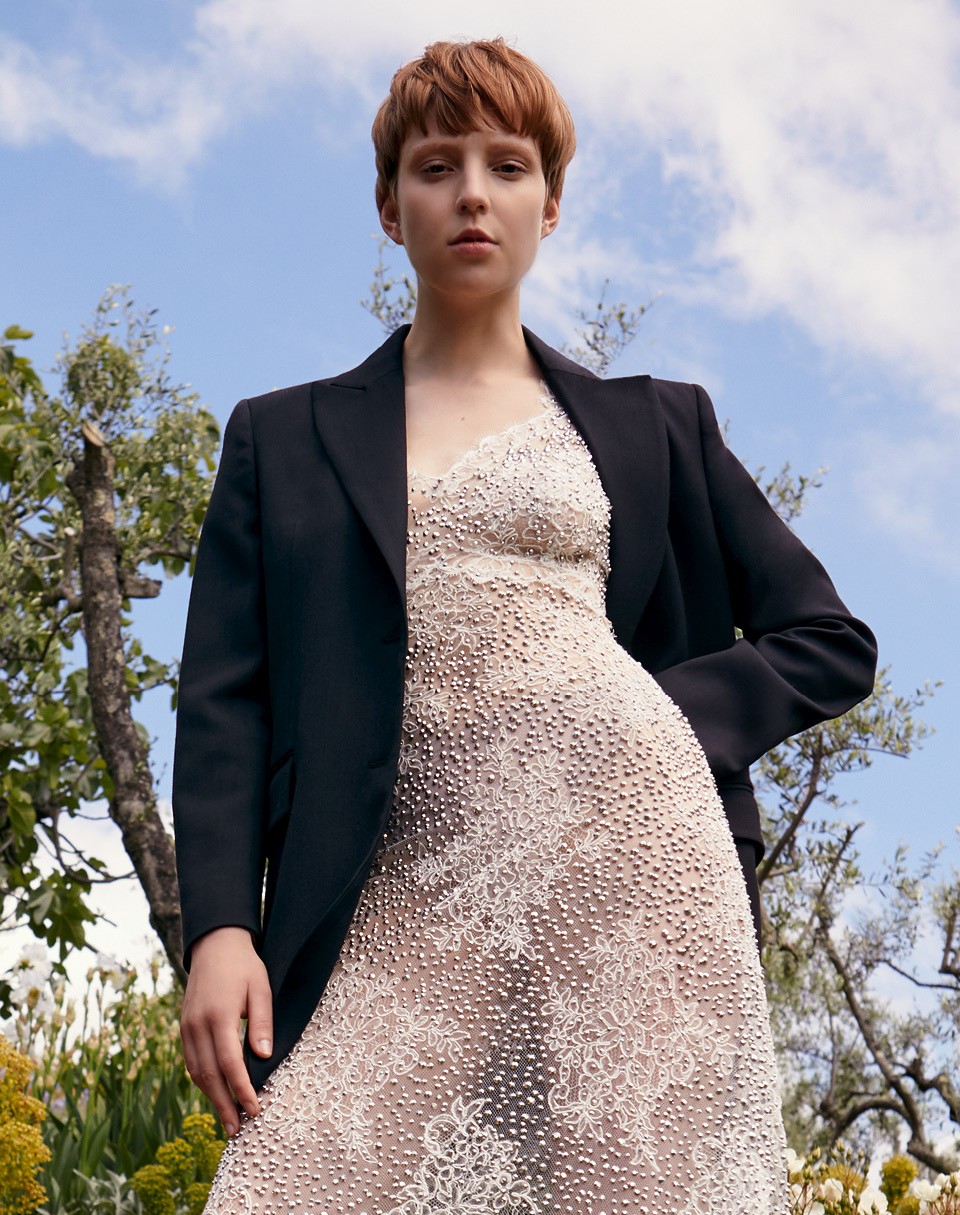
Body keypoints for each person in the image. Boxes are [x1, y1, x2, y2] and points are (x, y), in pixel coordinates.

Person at [172, 37, 877, 1213]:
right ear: (389, 208)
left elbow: (828, 641)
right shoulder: (279, 437)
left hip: (631, 866)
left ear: (550, 206)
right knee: (291, 1183)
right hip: (393, 888)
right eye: (435, 166)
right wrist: (219, 929)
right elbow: (222, 702)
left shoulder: (659, 425)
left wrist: (640, 721)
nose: (472, 194)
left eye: (506, 166)